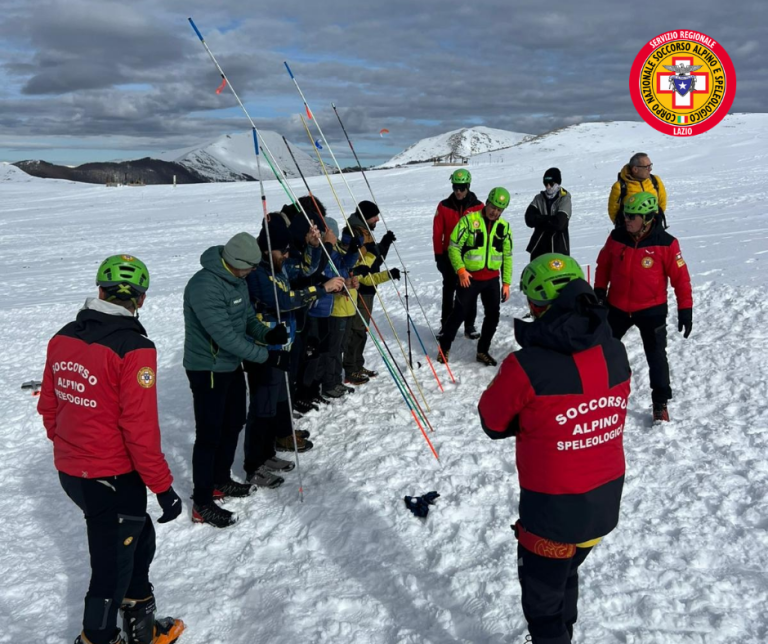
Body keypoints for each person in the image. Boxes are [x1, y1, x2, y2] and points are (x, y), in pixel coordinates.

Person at [478, 253, 631, 644]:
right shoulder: (614, 350)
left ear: (534, 305)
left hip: (551, 511)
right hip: (603, 503)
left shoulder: (526, 366)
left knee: (543, 604)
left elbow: (493, 423)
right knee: (568, 571)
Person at [38, 254, 184, 644]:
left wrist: (72, 449)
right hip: (110, 475)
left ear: (99, 291)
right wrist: (163, 487)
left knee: (140, 538)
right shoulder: (135, 347)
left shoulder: (64, 335)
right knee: (110, 569)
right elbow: (139, 429)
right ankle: (97, 638)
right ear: (141, 299)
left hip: (76, 473)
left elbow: (49, 406)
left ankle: (140, 622)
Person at [183, 232, 289, 528]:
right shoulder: (204, 286)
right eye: (251, 267)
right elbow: (225, 336)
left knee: (234, 423)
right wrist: (266, 356)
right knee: (209, 434)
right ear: (236, 263)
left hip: (230, 366)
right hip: (208, 369)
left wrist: (267, 335)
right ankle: (202, 502)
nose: (253, 272)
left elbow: (246, 320)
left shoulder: (237, 279)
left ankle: (220, 479)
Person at [244, 215, 344, 478]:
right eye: (283, 250)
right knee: (261, 409)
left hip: (283, 348)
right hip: (264, 350)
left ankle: (269, 453)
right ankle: (254, 464)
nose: (287, 255)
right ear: (267, 250)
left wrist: (312, 246)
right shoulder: (258, 274)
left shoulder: (280, 267)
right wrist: (321, 290)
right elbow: (283, 300)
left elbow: (306, 271)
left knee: (277, 403)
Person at [595, 192, 692, 422]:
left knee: (656, 355)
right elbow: (603, 265)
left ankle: (660, 403)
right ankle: (598, 394)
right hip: (617, 306)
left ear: (647, 218)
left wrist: (685, 309)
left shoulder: (667, 243)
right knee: (600, 349)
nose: (627, 219)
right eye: (625, 215)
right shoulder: (616, 237)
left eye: (632, 216)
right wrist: (599, 291)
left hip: (651, 309)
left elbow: (681, 279)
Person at [438, 187, 513, 366]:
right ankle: (444, 346)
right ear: (487, 203)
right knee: (459, 313)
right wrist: (461, 270)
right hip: (470, 278)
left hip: (492, 279)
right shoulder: (469, 221)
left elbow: (507, 256)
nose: (495, 212)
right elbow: (454, 246)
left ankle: (482, 351)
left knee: (493, 316)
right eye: (493, 207)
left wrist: (506, 282)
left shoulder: (504, 227)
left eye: (499, 209)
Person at [343, 201, 399, 385]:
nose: (377, 219)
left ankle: (358, 365)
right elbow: (362, 270)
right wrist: (387, 275)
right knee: (356, 330)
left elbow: (374, 261)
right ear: (365, 217)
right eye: (374, 216)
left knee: (362, 330)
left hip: (368, 288)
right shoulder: (355, 233)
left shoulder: (364, 231)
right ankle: (351, 369)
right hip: (361, 289)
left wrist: (385, 243)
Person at [432, 169, 484, 338]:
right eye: (455, 187)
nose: (458, 191)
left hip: (470, 257)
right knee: (448, 291)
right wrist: (438, 256)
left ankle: (469, 325)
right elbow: (437, 232)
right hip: (449, 256)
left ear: (468, 186)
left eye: (462, 188)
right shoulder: (444, 206)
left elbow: (483, 231)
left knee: (470, 291)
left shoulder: (478, 206)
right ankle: (445, 326)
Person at [608, 152, 668, 226]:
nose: (650, 169)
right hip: (630, 231)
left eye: (650, 166)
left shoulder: (655, 180)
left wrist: (656, 220)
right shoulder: (620, 186)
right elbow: (613, 211)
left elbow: (662, 203)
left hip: (653, 227)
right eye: (647, 167)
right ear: (635, 169)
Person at [524, 167, 572, 259]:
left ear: (557, 183)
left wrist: (539, 220)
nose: (548, 186)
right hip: (539, 247)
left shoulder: (564, 198)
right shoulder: (539, 198)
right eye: (546, 183)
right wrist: (550, 219)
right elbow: (529, 220)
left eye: (551, 183)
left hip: (558, 247)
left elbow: (559, 223)